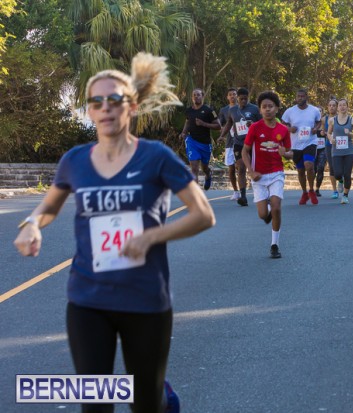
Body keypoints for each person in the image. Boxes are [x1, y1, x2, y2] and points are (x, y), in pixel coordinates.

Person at [13, 53, 216, 413]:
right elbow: (49, 207)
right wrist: (31, 225)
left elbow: (203, 215)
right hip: (88, 298)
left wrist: (151, 237)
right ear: (90, 111)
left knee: (145, 403)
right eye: (96, 102)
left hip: (145, 298)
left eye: (114, 99)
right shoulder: (74, 160)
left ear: (131, 107)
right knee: (95, 403)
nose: (105, 107)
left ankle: (161, 397)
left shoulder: (156, 157)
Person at [242, 91, 291, 259]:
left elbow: (290, 152)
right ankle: (268, 210)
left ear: (277, 108)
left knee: (276, 207)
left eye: (271, 106)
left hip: (276, 173)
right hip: (259, 176)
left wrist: (286, 153)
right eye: (264, 107)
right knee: (263, 215)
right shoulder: (255, 128)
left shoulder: (283, 130)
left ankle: (274, 245)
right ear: (260, 110)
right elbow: (245, 151)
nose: (267, 109)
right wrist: (250, 171)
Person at [218, 87, 262, 206]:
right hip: (238, 143)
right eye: (241, 99)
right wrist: (222, 136)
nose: (243, 101)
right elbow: (229, 124)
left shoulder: (255, 109)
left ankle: (261, 193)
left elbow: (263, 124)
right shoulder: (232, 110)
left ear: (248, 98)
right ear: (237, 98)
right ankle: (243, 196)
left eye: (245, 99)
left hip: (253, 143)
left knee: (254, 168)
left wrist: (254, 124)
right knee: (241, 167)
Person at [282, 88, 322, 205]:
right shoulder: (290, 111)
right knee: (300, 170)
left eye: (302, 96)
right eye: (298, 96)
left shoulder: (314, 110)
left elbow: (319, 122)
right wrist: (290, 129)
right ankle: (304, 193)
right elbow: (282, 124)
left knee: (309, 165)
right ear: (296, 97)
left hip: (310, 142)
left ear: (306, 97)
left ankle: (311, 190)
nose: (300, 98)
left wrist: (315, 128)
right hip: (296, 144)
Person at [179, 88, 220, 190]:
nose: (196, 97)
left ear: (202, 96)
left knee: (204, 167)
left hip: (205, 143)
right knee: (194, 168)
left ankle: (208, 174)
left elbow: (218, 126)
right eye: (194, 95)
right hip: (192, 141)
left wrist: (203, 124)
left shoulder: (209, 111)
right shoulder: (189, 111)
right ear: (192, 97)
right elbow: (187, 121)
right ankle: (196, 194)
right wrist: (183, 132)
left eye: (198, 95)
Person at [327, 98, 353, 204]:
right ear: (338, 107)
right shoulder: (332, 120)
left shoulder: (352, 120)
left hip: (349, 151)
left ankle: (345, 196)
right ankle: (340, 180)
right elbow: (328, 133)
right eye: (340, 105)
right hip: (336, 150)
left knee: (347, 174)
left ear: (347, 107)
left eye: (344, 105)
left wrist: (350, 133)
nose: (342, 107)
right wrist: (331, 139)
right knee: (337, 173)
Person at [217, 88, 240, 200]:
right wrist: (221, 129)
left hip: (241, 141)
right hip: (229, 142)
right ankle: (236, 191)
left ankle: (243, 189)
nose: (232, 96)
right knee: (231, 168)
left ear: (237, 96)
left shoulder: (241, 108)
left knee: (241, 167)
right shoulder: (224, 110)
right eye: (230, 94)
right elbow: (219, 123)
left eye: (234, 94)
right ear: (227, 97)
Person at [319, 98, 340, 199]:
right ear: (327, 107)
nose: (331, 107)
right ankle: (335, 190)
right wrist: (322, 132)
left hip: (340, 145)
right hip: (329, 144)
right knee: (332, 167)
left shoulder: (341, 118)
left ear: (337, 107)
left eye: (334, 105)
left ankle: (341, 179)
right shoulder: (324, 119)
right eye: (330, 105)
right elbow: (323, 131)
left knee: (340, 167)